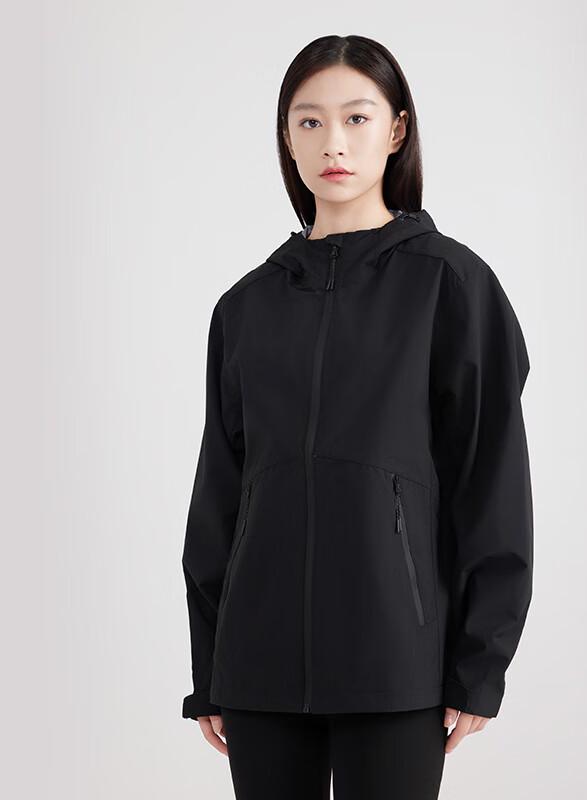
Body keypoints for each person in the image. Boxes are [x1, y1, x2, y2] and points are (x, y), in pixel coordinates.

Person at [180, 34, 534, 800]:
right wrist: (210, 668)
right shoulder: (246, 306)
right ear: (286, 137)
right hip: (260, 666)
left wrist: (479, 665)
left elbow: (492, 482)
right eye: (309, 121)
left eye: (356, 117)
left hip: (396, 662)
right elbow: (219, 498)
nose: (332, 142)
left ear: (396, 129)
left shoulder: (450, 284)